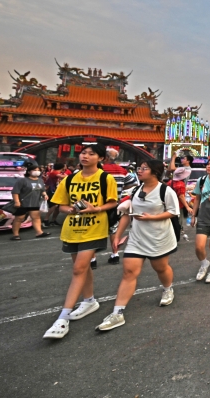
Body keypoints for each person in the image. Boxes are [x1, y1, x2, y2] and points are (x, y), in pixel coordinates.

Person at [43, 143, 118, 340]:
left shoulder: (105, 178)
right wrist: (71, 210)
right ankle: (89, 300)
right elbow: (61, 205)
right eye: (83, 153)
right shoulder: (69, 179)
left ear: (100, 158)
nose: (85, 156)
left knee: (78, 269)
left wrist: (96, 209)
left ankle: (62, 318)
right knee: (81, 268)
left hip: (94, 229)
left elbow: (113, 202)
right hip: (72, 230)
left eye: (91, 154)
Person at [95, 159, 181, 331]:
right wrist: (117, 236)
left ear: (155, 172)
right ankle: (117, 313)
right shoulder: (136, 190)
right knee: (129, 272)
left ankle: (167, 289)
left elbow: (173, 212)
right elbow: (128, 214)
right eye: (139, 168)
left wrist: (152, 218)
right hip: (137, 239)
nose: (139, 171)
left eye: (144, 168)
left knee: (161, 268)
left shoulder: (165, 190)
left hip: (158, 238)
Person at [10, 162, 50, 240]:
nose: (37, 171)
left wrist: (45, 195)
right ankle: (15, 234)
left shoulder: (40, 180)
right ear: (29, 171)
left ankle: (39, 232)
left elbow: (42, 190)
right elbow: (15, 192)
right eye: (34, 170)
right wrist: (17, 201)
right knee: (19, 218)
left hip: (35, 202)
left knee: (36, 218)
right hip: (23, 203)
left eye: (38, 170)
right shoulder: (22, 180)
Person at [168, 151, 194, 219]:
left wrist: (174, 158)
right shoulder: (183, 168)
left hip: (179, 190)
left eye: (184, 159)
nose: (182, 160)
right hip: (177, 191)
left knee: (178, 210)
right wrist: (172, 159)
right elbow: (170, 169)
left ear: (188, 161)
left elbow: (172, 168)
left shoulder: (185, 169)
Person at [44, 162, 66, 227]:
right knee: (54, 205)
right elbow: (63, 176)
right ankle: (46, 220)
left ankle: (53, 220)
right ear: (62, 167)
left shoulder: (58, 172)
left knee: (58, 206)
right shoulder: (54, 172)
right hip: (51, 191)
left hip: (57, 191)